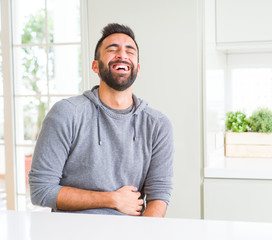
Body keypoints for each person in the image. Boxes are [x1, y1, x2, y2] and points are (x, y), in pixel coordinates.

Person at [29, 23, 174, 217]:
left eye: (129, 51)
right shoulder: (66, 113)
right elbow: (41, 190)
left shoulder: (157, 125)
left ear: (137, 68)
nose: (122, 54)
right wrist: (112, 199)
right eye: (112, 49)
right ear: (95, 65)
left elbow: (159, 196)